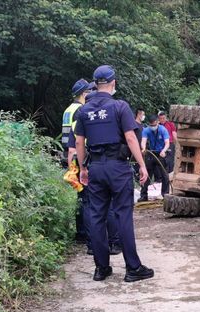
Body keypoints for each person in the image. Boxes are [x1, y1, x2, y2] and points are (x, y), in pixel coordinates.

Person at [75, 65, 153, 282]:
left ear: (94, 84)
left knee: (97, 216)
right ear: (113, 83)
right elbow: (130, 138)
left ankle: (101, 269)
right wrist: (142, 166)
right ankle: (133, 269)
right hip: (118, 168)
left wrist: (83, 168)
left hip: (96, 168)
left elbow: (80, 142)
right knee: (123, 216)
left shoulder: (84, 111)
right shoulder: (120, 107)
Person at [67, 108, 122, 257]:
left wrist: (74, 170)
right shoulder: (103, 119)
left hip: (83, 167)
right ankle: (115, 243)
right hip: (101, 164)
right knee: (109, 204)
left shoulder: (76, 124)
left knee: (89, 206)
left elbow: (72, 150)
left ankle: (92, 245)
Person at [62, 79, 92, 169]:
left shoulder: (68, 109)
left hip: (66, 152)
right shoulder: (80, 110)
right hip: (75, 154)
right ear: (84, 94)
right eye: (89, 91)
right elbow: (78, 137)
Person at [139, 115, 170, 202]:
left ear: (157, 122)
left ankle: (165, 194)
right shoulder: (147, 130)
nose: (153, 127)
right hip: (151, 153)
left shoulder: (163, 130)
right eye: (151, 125)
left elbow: (167, 143)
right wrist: (144, 148)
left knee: (164, 175)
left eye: (154, 125)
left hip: (161, 153)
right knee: (147, 174)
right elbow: (143, 141)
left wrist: (164, 150)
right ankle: (144, 195)